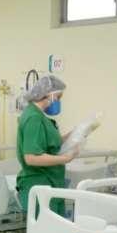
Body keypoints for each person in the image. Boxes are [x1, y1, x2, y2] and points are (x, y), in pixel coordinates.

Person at [15, 74, 78, 220]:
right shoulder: (34, 118)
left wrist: (76, 133)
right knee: (46, 232)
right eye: (58, 97)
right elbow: (31, 158)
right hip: (39, 184)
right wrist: (65, 159)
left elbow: (52, 142)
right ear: (49, 94)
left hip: (51, 183)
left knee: (56, 231)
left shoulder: (39, 116)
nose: (58, 102)